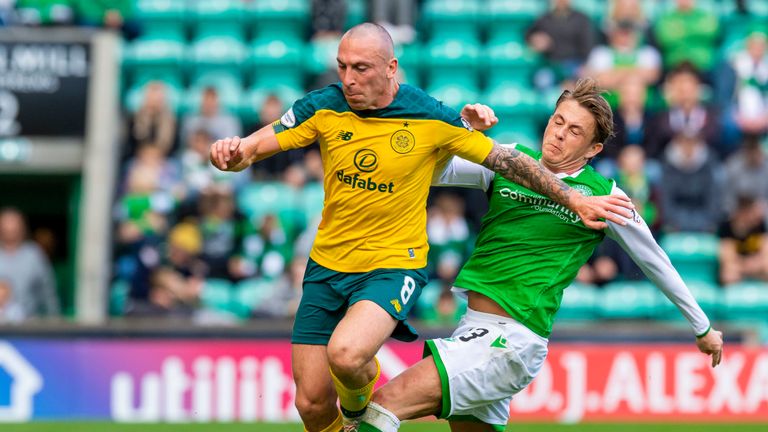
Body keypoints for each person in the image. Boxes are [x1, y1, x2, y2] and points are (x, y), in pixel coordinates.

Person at [209, 24, 631, 432]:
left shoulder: (427, 114)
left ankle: (357, 406)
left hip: (393, 264)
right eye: (342, 67)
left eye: (361, 68)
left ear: (391, 68)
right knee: (311, 404)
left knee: (346, 354)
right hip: (327, 265)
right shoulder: (322, 106)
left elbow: (507, 161)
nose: (348, 79)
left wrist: (572, 197)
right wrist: (234, 152)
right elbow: (256, 147)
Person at [357, 79, 723, 432]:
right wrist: (463, 131)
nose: (560, 133)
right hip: (475, 327)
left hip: (511, 340)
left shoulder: (603, 195)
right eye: (557, 121)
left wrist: (702, 327)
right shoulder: (512, 159)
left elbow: (655, 260)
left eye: (575, 131)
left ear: (594, 149)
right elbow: (431, 171)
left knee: (385, 405)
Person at [0, 207, 59, 320]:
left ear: (22, 227)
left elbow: (47, 290)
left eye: (14, 224)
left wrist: (54, 318)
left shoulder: (34, 254)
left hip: (28, 325)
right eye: (6, 224)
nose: (11, 228)